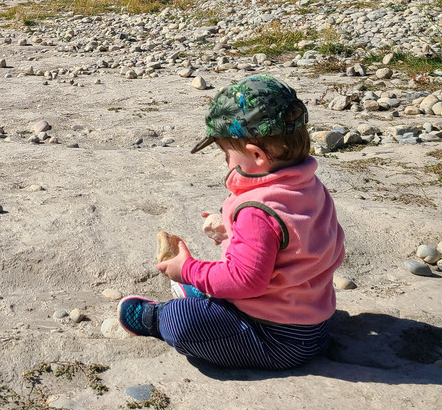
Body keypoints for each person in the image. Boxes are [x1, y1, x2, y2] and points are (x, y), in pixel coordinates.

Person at [118, 74, 345, 370]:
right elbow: (302, 242)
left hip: (275, 337)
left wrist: (186, 270)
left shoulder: (257, 210)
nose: (226, 161)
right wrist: (232, 228)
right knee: (218, 286)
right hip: (313, 323)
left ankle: (156, 317)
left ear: (256, 155)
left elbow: (246, 280)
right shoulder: (308, 187)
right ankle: (209, 292)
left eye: (227, 154)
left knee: (181, 321)